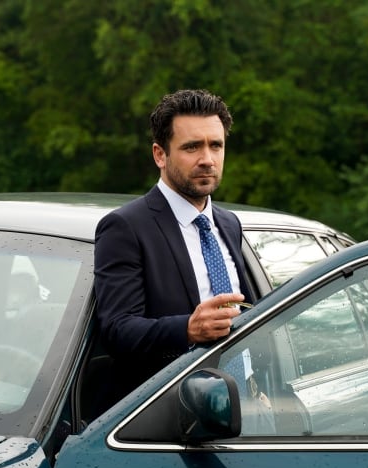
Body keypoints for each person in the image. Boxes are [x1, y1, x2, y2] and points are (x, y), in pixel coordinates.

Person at [93, 89, 256, 402]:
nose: (207, 159)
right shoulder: (125, 228)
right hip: (170, 415)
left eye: (216, 146)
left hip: (246, 401)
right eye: (192, 147)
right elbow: (116, 329)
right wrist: (187, 329)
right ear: (160, 154)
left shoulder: (229, 224)